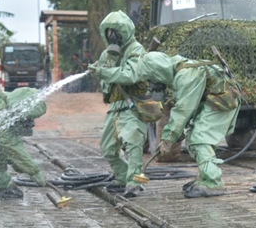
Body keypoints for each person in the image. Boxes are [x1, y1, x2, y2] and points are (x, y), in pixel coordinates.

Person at [137, 51, 241, 198]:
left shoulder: (185, 76)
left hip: (222, 100)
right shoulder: (177, 72)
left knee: (200, 138)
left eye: (151, 78)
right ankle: (206, 177)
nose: (151, 84)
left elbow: (183, 110)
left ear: (158, 71)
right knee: (193, 138)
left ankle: (213, 181)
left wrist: (168, 137)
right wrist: (175, 134)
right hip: (212, 100)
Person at [88, 11, 149, 198]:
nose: (112, 36)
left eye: (116, 31)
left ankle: (135, 182)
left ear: (126, 30)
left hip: (133, 104)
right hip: (115, 106)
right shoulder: (107, 53)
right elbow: (106, 79)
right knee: (108, 147)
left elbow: (130, 75)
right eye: (108, 32)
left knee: (133, 143)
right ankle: (123, 177)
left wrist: (105, 73)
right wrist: (100, 70)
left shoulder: (136, 50)